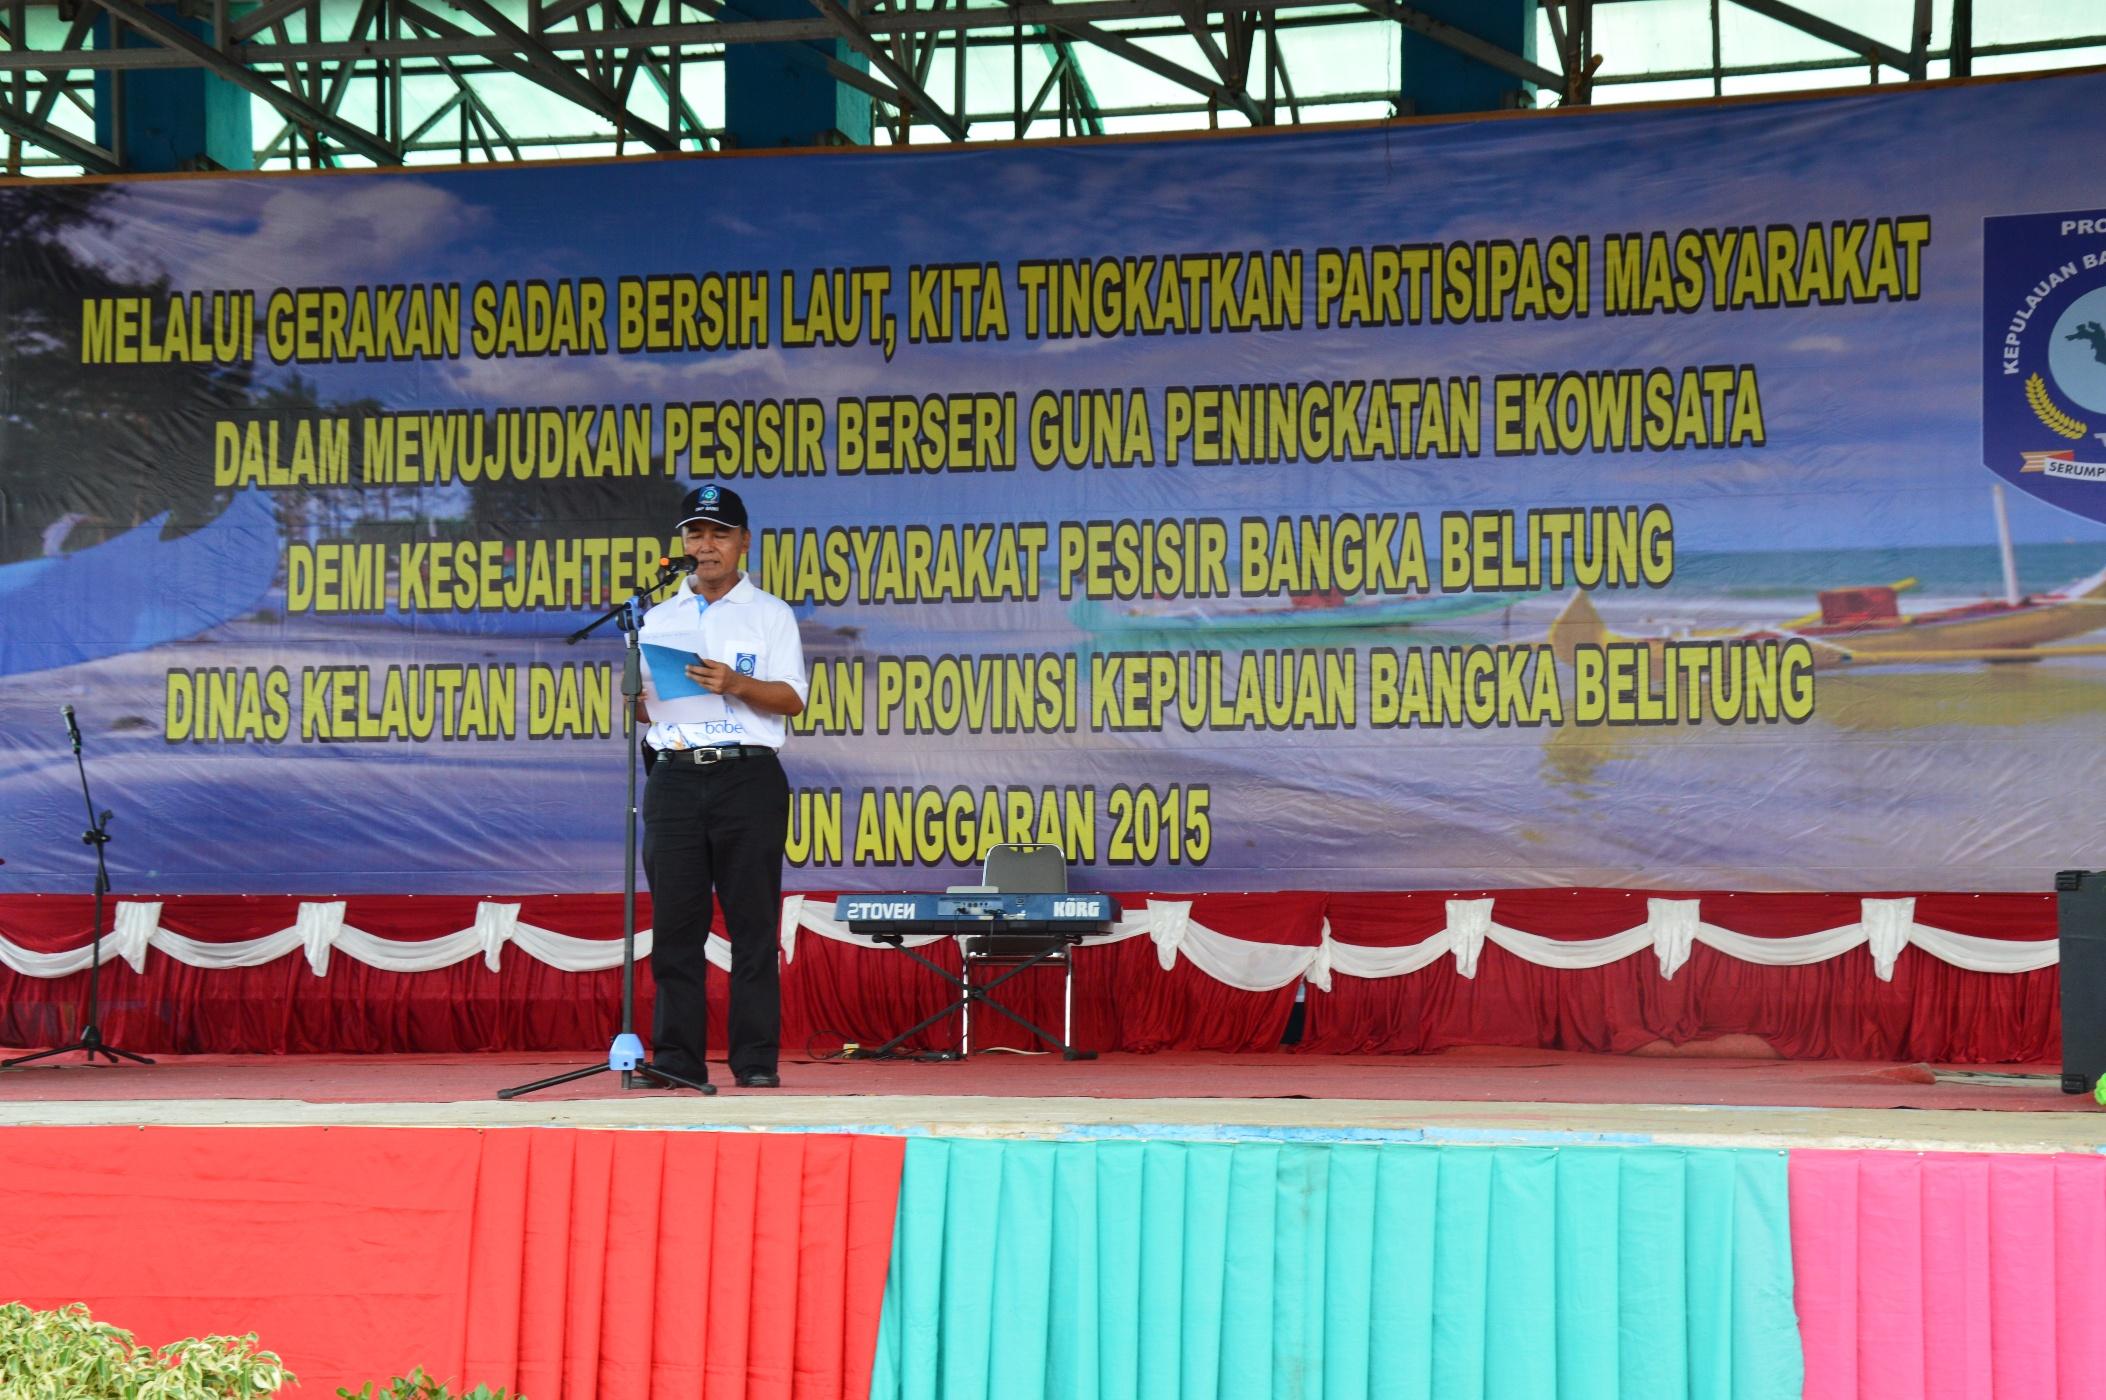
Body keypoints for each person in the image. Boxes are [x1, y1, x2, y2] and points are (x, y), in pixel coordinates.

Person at [638, 484, 807, 1090]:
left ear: (742, 542)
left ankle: (755, 1061)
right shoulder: (659, 616)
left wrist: (735, 683)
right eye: (694, 534)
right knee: (676, 927)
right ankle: (675, 1059)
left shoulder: (771, 614)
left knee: (752, 926)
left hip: (747, 777)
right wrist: (641, 701)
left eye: (717, 534)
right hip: (677, 776)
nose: (704, 546)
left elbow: (791, 699)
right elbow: (649, 710)